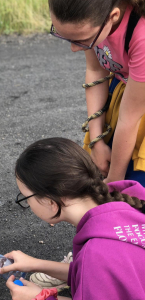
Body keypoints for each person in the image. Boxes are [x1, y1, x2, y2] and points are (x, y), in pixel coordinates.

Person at [32, 0, 145, 290]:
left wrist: (114, 184)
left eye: (80, 39)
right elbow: (96, 73)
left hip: (138, 111)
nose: (74, 48)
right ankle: (84, 265)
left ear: (114, 17)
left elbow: (132, 119)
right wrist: (97, 141)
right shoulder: (95, 19)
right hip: (123, 98)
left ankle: (114, 270)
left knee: (133, 190)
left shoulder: (142, 37)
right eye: (64, 36)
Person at [0, 137, 145, 300]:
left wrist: (40, 298)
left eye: (26, 198)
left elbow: (96, 269)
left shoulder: (97, 253)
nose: (28, 204)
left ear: (50, 201)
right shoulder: (128, 202)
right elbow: (91, 275)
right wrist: (35, 264)